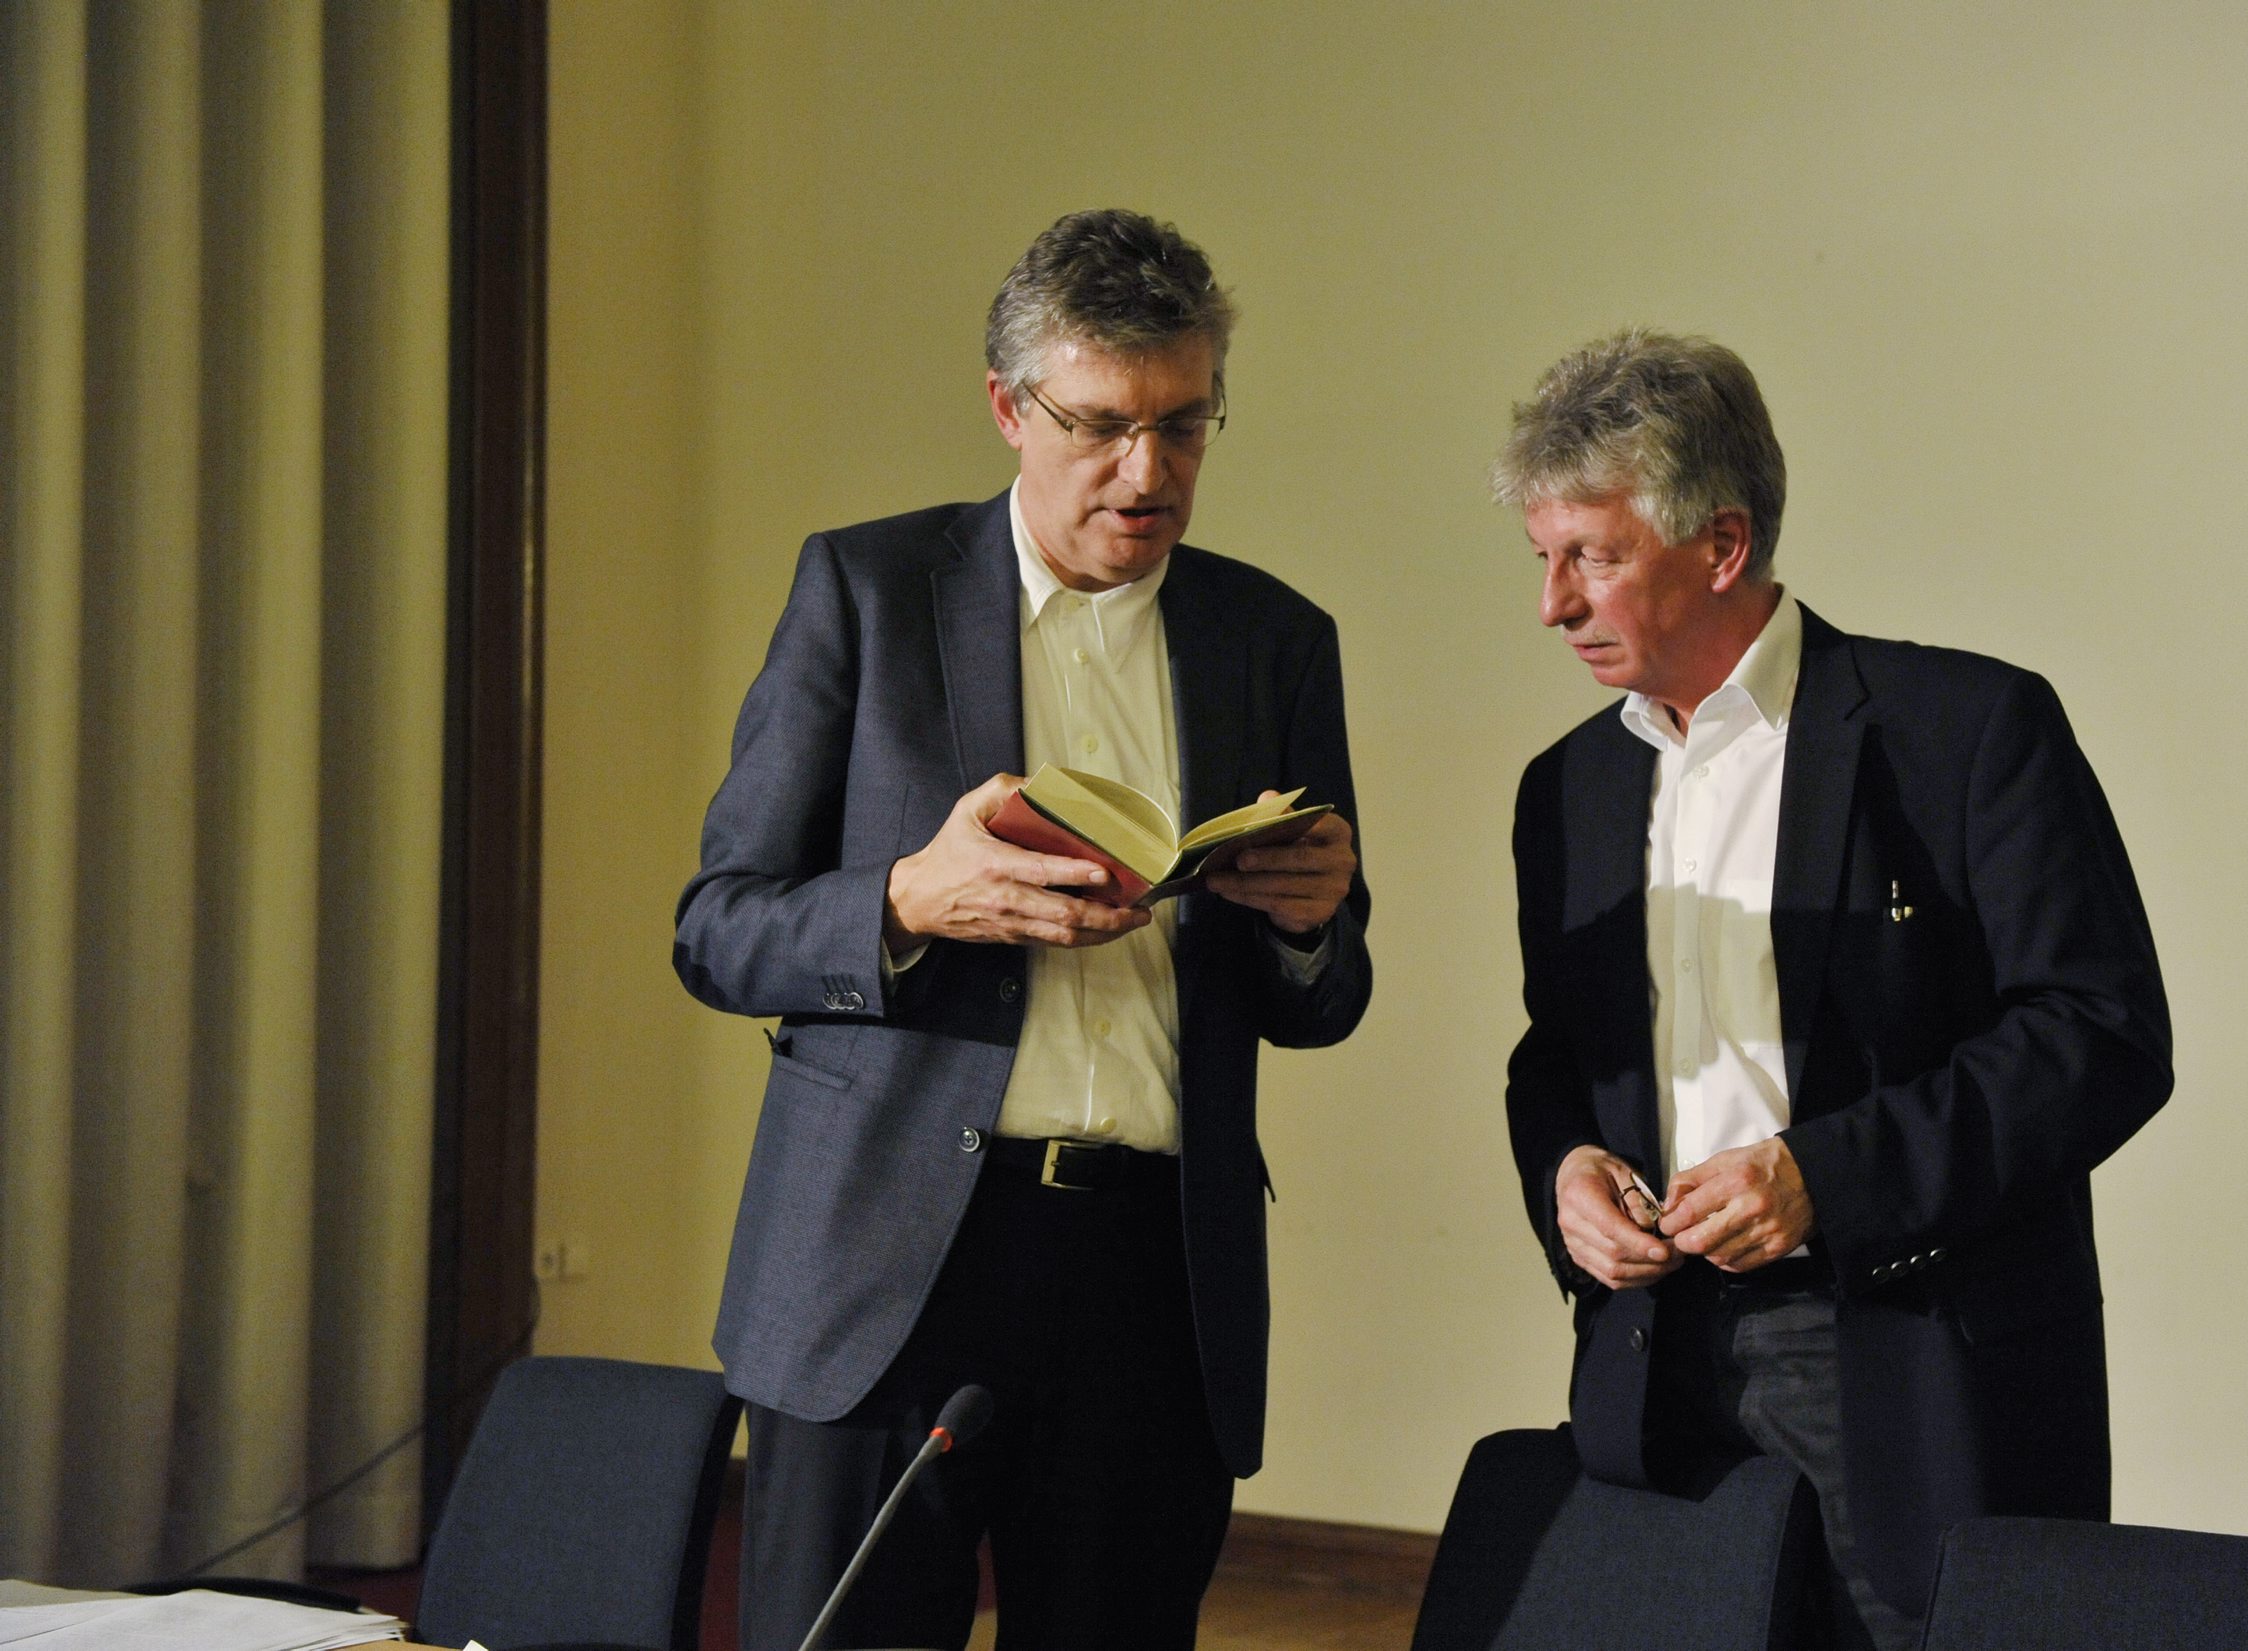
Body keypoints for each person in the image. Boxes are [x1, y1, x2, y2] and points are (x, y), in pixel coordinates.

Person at [674, 209, 1371, 1651]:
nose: (1149, 472)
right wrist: (903, 903)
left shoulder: (1274, 640)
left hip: (1151, 1277)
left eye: (1186, 425)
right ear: (1008, 408)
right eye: (1103, 425)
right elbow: (719, 929)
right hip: (890, 1263)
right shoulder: (868, 594)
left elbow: (1322, 997)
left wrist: (1312, 928)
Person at [1494, 330, 2172, 1649]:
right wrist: (1564, 1166)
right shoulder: (1567, 787)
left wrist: (1825, 1176)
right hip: (1654, 1363)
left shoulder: (1966, 731)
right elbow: (1555, 1055)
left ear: (1723, 545)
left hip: (1907, 1361)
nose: (1554, 605)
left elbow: (2102, 1036)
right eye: (1543, 558)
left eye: (1594, 557)